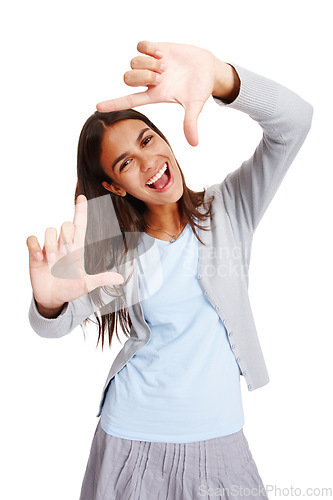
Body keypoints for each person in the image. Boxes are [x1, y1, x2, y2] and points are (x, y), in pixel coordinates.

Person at [27, 41, 313, 499]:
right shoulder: (111, 249)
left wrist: (223, 77)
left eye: (147, 140)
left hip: (221, 440)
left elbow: (296, 123)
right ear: (113, 186)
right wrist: (50, 299)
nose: (148, 163)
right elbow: (51, 326)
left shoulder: (229, 209)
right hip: (132, 442)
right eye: (126, 163)